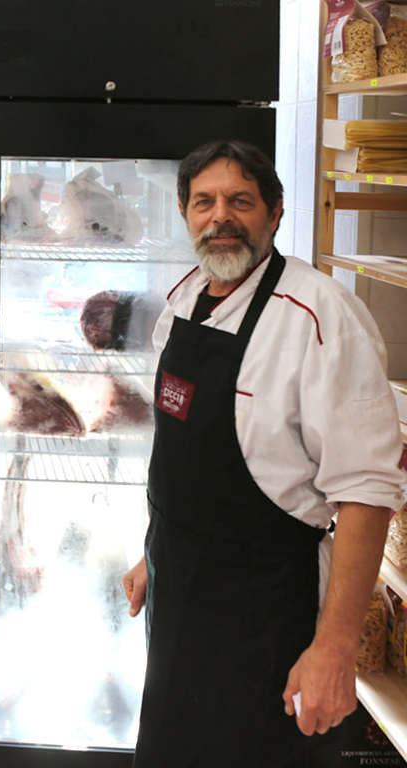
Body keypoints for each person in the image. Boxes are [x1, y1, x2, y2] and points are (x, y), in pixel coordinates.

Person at [122, 140, 406, 767]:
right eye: (205, 202)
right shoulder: (184, 300)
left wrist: (334, 648)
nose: (220, 217)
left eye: (240, 201)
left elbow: (367, 493)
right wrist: (152, 550)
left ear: (274, 214)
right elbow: (179, 451)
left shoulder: (320, 314)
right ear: (184, 211)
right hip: (179, 594)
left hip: (269, 611)